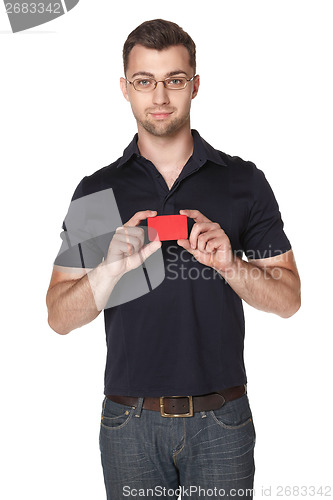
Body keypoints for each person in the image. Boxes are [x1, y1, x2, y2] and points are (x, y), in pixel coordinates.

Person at [46, 19, 301, 500]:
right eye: (145, 81)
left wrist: (230, 264)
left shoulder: (242, 181)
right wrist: (108, 269)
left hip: (222, 419)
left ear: (195, 85)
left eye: (174, 80)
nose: (160, 96)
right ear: (125, 88)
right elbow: (58, 316)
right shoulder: (98, 190)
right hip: (129, 421)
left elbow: (289, 299)